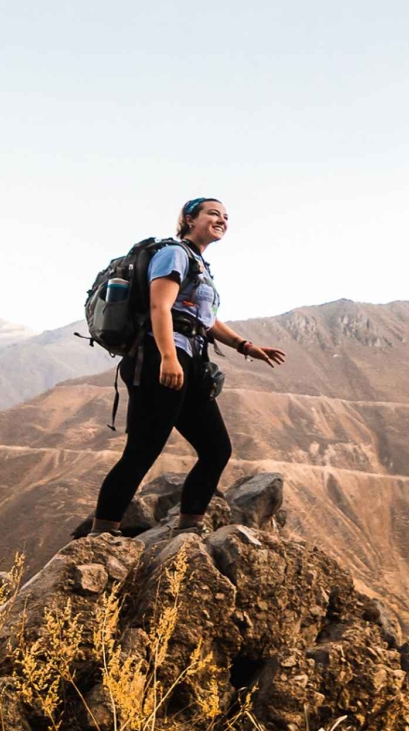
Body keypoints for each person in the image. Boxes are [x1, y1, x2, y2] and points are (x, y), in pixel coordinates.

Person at [80, 197, 287, 537]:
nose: (221, 220)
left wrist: (245, 346)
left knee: (216, 449)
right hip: (160, 358)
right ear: (190, 219)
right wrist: (168, 358)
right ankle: (102, 534)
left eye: (226, 216)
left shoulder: (200, 265)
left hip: (191, 361)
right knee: (142, 451)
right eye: (213, 213)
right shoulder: (174, 254)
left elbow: (204, 319)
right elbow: (160, 306)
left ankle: (188, 530)